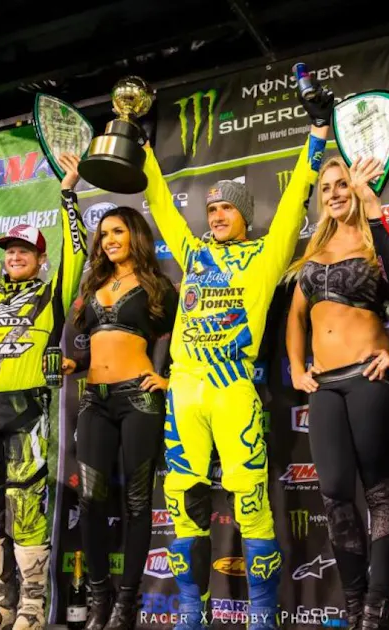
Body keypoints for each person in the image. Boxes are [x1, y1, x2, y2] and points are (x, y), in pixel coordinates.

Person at [140, 71, 333, 630]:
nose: (217, 215)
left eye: (227, 208)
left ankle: (262, 614)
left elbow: (295, 200)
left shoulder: (266, 257)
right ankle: (190, 613)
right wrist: (145, 148)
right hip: (184, 390)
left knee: (251, 498)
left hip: (233, 388)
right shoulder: (193, 253)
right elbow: (161, 204)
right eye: (213, 209)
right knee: (183, 499)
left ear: (246, 215)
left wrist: (317, 134)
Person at [0, 152, 87, 630]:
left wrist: (68, 193)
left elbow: (78, 252)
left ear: (41, 260)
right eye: (9, 251)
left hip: (27, 411)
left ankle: (31, 606)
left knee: (25, 508)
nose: (15, 256)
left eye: (25, 251)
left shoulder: (51, 295)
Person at [285, 155, 389, 629]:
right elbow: (296, 316)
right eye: (326, 188)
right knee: (336, 494)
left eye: (342, 184)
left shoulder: (375, 241)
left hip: (370, 379)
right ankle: (355, 605)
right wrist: (296, 368)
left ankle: (377, 607)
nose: (334, 194)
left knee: (379, 492)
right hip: (325, 386)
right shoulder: (313, 250)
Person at [69, 205, 178, 630]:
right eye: (104, 234)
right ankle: (100, 597)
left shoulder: (157, 286)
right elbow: (97, 344)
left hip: (139, 399)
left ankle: (126, 604)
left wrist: (168, 378)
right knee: (90, 500)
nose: (109, 240)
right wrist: (74, 364)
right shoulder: (93, 282)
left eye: (117, 231)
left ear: (135, 235)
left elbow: (185, 337)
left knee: (136, 503)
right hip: (94, 400)